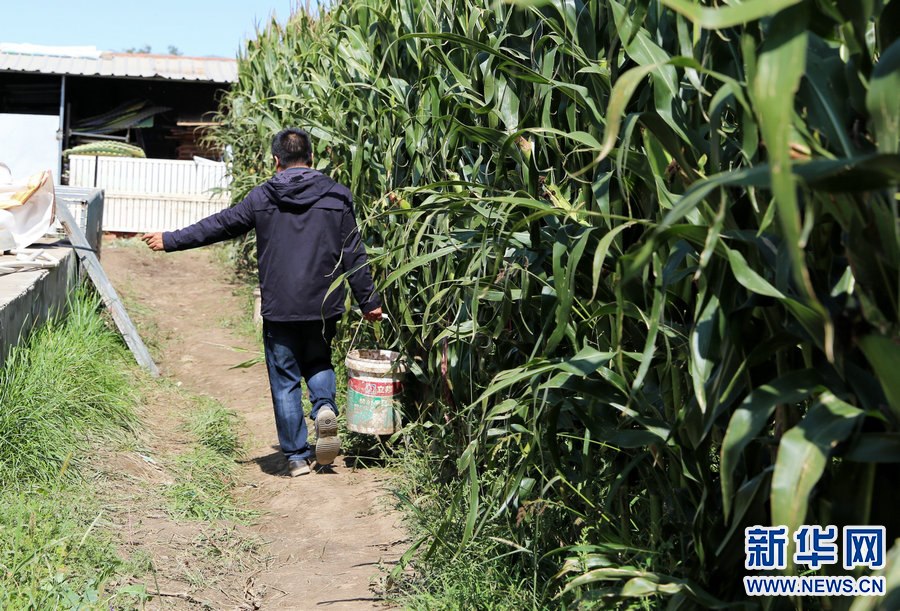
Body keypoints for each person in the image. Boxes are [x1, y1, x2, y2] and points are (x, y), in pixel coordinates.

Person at [143, 128, 382, 477]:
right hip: (323, 306)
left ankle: (297, 457)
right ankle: (324, 408)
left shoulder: (263, 196)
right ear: (311, 157)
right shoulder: (337, 195)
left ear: (275, 160)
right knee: (318, 361)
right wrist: (369, 300)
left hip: (280, 307)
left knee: (285, 378)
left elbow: (220, 225)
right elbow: (353, 252)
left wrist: (171, 239)